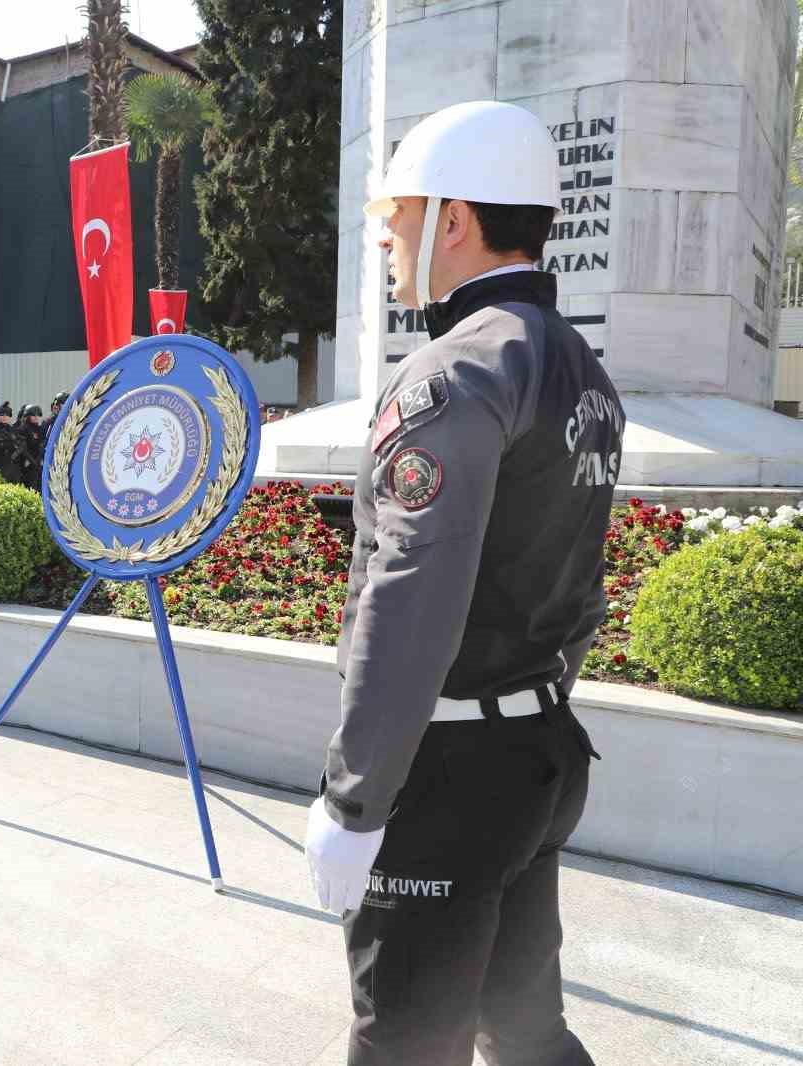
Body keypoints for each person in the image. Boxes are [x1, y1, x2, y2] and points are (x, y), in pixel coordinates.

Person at [302, 100, 619, 1066]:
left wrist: (355, 803)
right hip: (536, 752)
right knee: (526, 1031)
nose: (390, 243)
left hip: (447, 779)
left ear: (453, 219)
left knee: (405, 1044)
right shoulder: (581, 369)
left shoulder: (456, 370)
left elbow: (412, 597)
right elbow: (568, 573)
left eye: (398, 218)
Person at [18, 403, 47, 489]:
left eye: (38, 415)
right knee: (30, 487)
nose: (36, 417)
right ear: (28, 416)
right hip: (27, 464)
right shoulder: (23, 429)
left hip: (39, 463)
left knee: (39, 487)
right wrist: (31, 461)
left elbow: (42, 445)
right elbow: (23, 449)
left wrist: (39, 459)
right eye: (33, 415)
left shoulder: (40, 429)